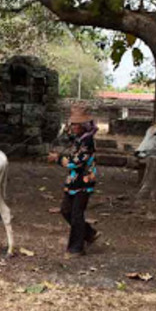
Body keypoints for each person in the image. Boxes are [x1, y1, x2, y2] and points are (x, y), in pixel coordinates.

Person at [47, 105, 99, 255]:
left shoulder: (87, 142)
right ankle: (89, 233)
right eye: (73, 123)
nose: (74, 126)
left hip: (84, 181)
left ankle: (76, 248)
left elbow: (76, 162)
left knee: (76, 214)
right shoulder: (78, 138)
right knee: (65, 210)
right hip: (73, 181)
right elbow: (65, 137)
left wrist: (58, 158)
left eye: (77, 124)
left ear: (84, 125)